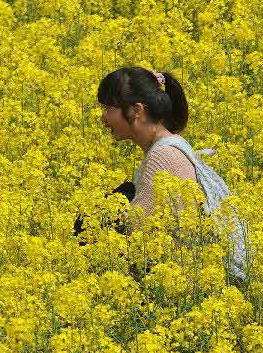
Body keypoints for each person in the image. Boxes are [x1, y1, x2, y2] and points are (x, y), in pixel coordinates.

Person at [73, 66, 249, 282]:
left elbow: (137, 231)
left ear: (136, 110)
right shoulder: (172, 146)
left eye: (109, 109)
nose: (103, 118)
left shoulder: (163, 156)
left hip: (182, 282)